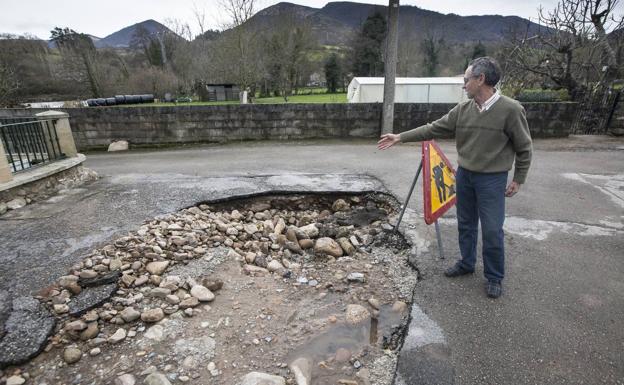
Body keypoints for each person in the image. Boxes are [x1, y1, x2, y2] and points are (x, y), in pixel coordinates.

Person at [377, 57, 532, 299]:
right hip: (465, 175)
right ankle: (467, 263)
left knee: (492, 230)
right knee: (466, 223)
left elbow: (524, 147)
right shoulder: (463, 110)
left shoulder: (511, 110)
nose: (463, 85)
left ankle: (494, 276)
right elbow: (433, 128)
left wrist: (518, 178)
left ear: (481, 80)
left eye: (466, 79)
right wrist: (400, 137)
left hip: (492, 179)